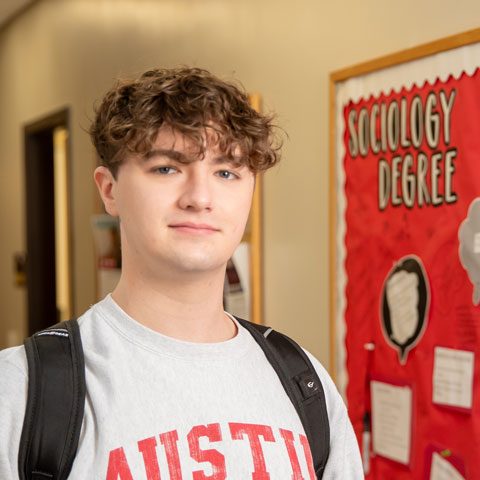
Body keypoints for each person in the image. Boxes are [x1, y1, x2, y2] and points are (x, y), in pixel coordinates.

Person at [0, 67, 363, 479]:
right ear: (109, 190)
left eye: (226, 172)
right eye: (166, 168)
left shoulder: (305, 382)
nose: (200, 197)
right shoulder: (23, 392)